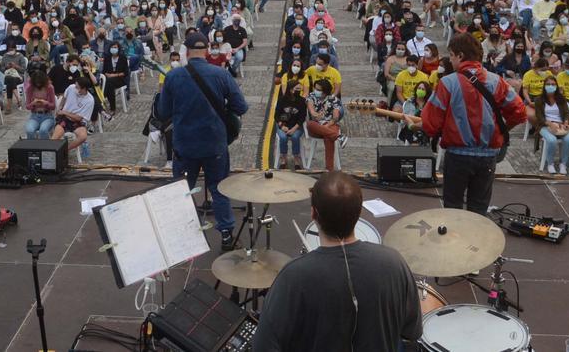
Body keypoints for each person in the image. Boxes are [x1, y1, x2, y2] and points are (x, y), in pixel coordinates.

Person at [252, 172, 422, 352]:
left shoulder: (293, 277)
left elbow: (264, 347)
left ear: (313, 213)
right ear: (359, 213)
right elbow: (412, 332)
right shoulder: (394, 263)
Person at [155, 31, 248, 251]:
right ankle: (226, 234)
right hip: (214, 143)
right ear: (207, 50)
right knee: (219, 188)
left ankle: (181, 232)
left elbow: (162, 112)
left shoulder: (174, 77)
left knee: (182, 189)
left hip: (185, 144)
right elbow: (241, 107)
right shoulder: (221, 75)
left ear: (186, 51)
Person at [421, 33, 528, 215]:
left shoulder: (447, 83)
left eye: (452, 56)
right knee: (478, 211)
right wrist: (502, 129)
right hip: (487, 157)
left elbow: (430, 123)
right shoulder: (497, 81)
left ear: (460, 56)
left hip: (457, 156)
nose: (451, 60)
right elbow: (519, 112)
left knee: (453, 210)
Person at [533, 76, 569, 174]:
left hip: (560, 125)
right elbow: (539, 117)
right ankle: (550, 163)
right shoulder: (539, 99)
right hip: (545, 125)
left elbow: (567, 113)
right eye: (548, 84)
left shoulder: (561, 98)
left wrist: (566, 122)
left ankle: (563, 164)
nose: (551, 86)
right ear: (544, 86)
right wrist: (549, 123)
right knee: (552, 140)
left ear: (556, 86)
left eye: (553, 84)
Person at [53, 76, 95, 154]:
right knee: (55, 137)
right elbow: (64, 98)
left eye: (77, 87)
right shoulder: (71, 88)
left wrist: (64, 112)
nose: (75, 88)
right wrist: (60, 108)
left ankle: (65, 150)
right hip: (64, 119)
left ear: (84, 89)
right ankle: (53, 152)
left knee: (83, 136)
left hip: (76, 121)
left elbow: (79, 118)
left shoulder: (90, 100)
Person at [274, 77, 308, 169]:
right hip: (283, 125)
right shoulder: (282, 100)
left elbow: (302, 117)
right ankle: (283, 157)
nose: (299, 91)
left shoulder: (302, 101)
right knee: (283, 137)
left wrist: (294, 128)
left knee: (295, 137)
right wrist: (282, 126)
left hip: (296, 126)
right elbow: (276, 115)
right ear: (291, 89)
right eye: (297, 89)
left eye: (300, 89)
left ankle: (296, 157)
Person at [24, 70, 56, 139]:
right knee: (29, 130)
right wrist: (33, 103)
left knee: (43, 130)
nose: (38, 84)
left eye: (40, 83)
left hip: (47, 116)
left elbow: (53, 106)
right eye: (36, 83)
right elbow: (27, 106)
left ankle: (45, 147)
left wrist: (46, 103)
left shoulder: (49, 88)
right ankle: (33, 148)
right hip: (34, 116)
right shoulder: (30, 88)